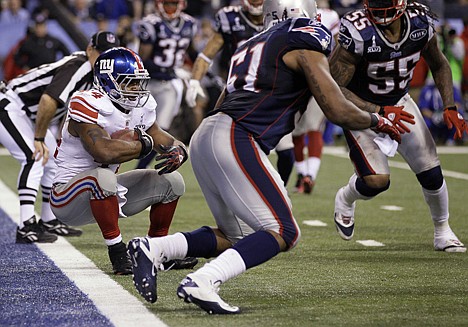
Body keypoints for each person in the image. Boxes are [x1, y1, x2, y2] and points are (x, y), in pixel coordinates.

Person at [128, 0, 403, 314]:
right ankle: (203, 280)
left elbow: (224, 99)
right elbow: (336, 107)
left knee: (237, 236)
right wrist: (378, 120)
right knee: (284, 230)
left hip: (210, 132)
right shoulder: (303, 35)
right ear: (303, 11)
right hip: (237, 135)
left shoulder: (251, 43)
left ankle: (154, 247)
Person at [329, 0, 467, 252]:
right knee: (377, 181)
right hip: (361, 109)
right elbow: (334, 87)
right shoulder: (358, 31)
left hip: (399, 103)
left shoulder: (420, 22)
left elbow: (439, 64)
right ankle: (346, 196)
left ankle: (443, 231)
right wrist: (378, 111)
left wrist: (450, 106)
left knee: (431, 171)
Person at [49, 47, 189, 275]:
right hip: (67, 197)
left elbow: (167, 140)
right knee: (103, 177)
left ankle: (156, 253)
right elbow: (102, 152)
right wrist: (143, 145)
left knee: (172, 182)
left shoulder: (142, 107)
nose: (137, 89)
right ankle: (118, 254)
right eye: (128, 82)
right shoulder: (87, 103)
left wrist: (181, 152)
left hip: (108, 193)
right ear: (106, 81)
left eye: (139, 82)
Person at [0, 31, 119, 244]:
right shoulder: (82, 66)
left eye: (108, 55)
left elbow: (68, 110)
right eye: (101, 53)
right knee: (34, 156)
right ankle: (26, 224)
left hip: (27, 113)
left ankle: (48, 219)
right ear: (90, 49)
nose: (103, 60)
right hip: (11, 104)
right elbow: (48, 100)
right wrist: (38, 138)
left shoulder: (93, 74)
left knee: (53, 160)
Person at [186, 0, 295, 186]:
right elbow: (206, 55)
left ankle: (280, 191)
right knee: (231, 145)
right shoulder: (231, 19)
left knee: (286, 152)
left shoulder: (283, 15)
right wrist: (195, 80)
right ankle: (227, 186)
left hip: (272, 94)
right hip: (240, 92)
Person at [134, 0, 198, 169]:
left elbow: (192, 52)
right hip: (146, 83)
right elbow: (143, 59)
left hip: (169, 85)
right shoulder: (150, 24)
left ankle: (140, 169)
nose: (170, 7)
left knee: (161, 128)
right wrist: (167, 69)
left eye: (173, 3)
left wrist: (203, 69)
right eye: (167, 3)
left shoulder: (189, 24)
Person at [291, 0, 341, 194]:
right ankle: (305, 175)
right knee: (301, 129)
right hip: (306, 77)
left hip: (311, 77)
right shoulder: (291, 9)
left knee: (307, 128)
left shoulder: (329, 15)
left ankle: (307, 175)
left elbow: (338, 48)